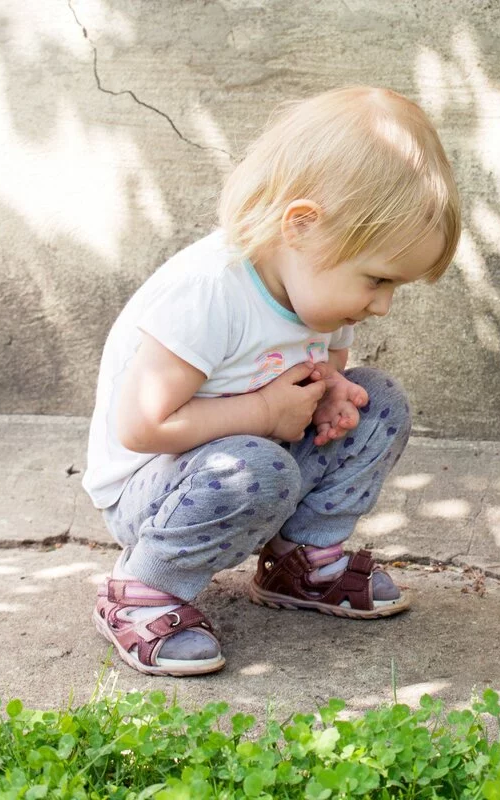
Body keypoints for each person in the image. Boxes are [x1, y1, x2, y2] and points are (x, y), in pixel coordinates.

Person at [81, 86, 460, 676]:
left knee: (381, 402)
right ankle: (142, 589)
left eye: (395, 289)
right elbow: (142, 425)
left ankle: (299, 562)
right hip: (158, 491)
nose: (382, 305)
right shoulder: (208, 292)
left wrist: (331, 388)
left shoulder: (320, 296)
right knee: (259, 466)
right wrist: (262, 412)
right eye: (377, 280)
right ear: (302, 227)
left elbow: (323, 368)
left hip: (261, 458)